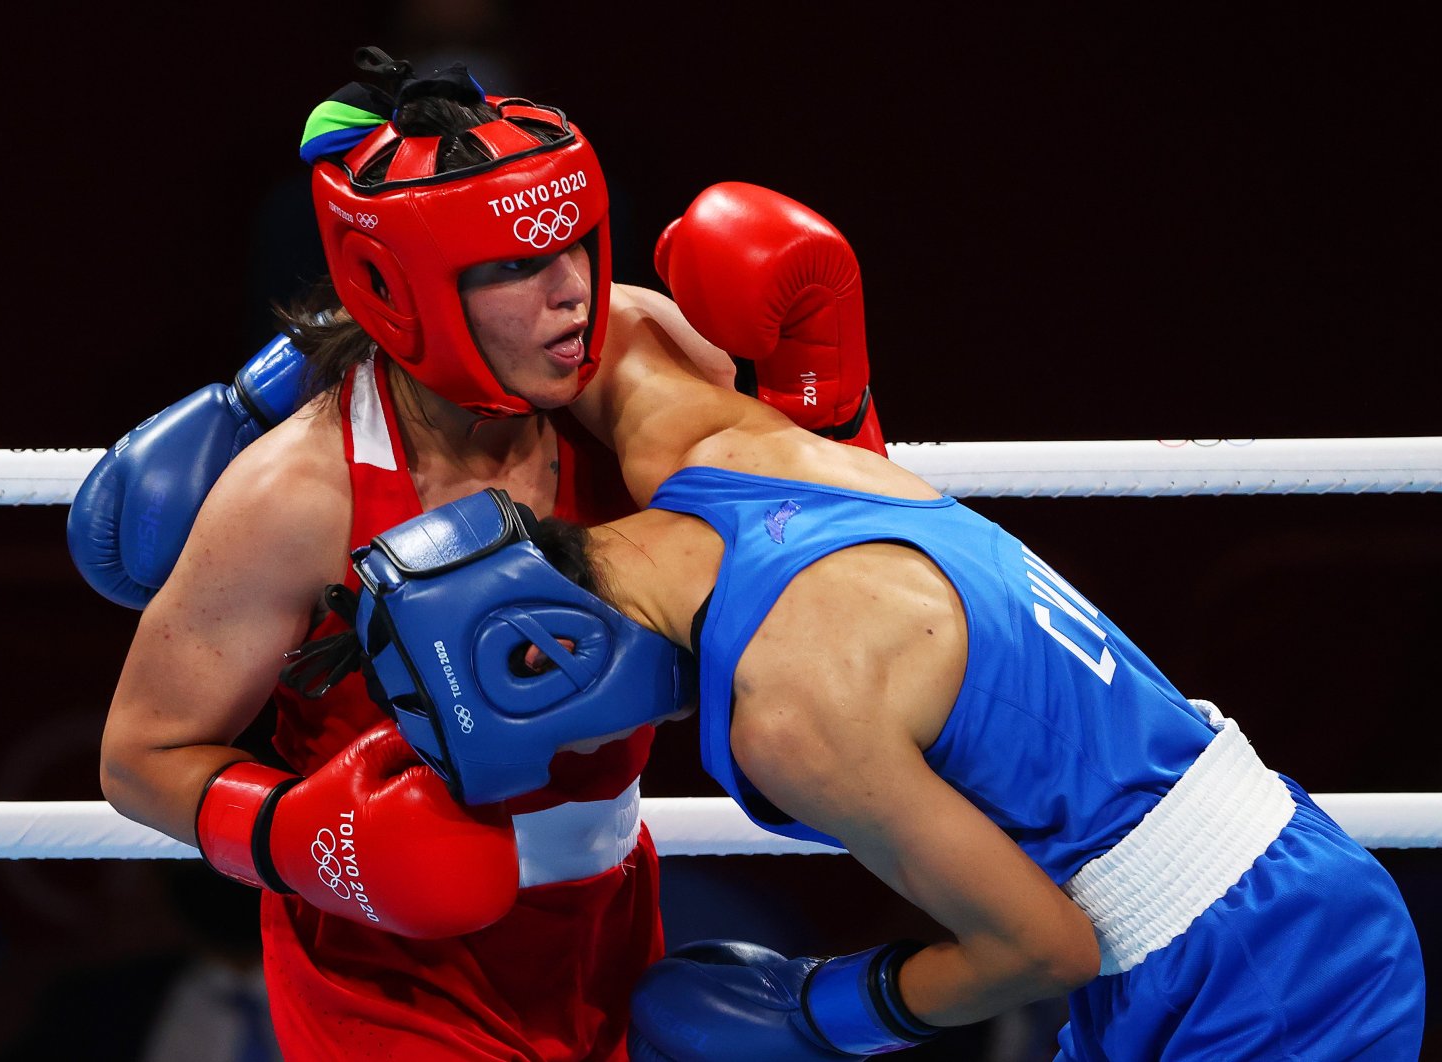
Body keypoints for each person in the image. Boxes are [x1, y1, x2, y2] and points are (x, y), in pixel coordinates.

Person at [347, 186, 1428, 1059]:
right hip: (1246, 921)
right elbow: (598, 330)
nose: (596, 754)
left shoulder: (791, 719)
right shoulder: (726, 450)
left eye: (565, 743)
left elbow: (1033, 949)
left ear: (557, 659)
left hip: (1258, 968)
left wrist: (822, 1014)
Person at [78, 47, 885, 1061]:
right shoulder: (298, 495)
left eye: (578, 248)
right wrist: (305, 839)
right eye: (511, 266)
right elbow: (139, 756)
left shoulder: (637, 360)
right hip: (381, 972)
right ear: (398, 289)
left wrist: (830, 394)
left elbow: (836, 569)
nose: (571, 294)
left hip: (608, 928)